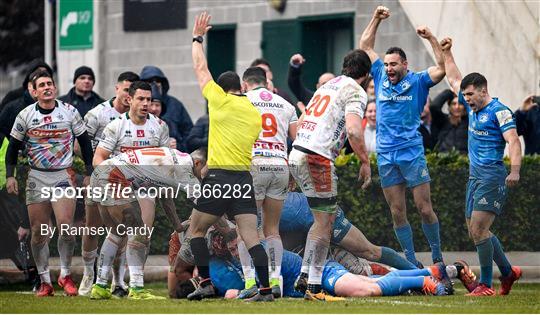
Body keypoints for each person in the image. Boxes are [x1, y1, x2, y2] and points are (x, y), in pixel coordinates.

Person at [187, 12, 271, 302]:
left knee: (195, 231)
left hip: (220, 177)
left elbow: (200, 67)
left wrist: (198, 37)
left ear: (222, 90)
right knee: (252, 237)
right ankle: (265, 290)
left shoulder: (219, 101)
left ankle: (207, 284)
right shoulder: (253, 112)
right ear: (241, 87)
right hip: (243, 179)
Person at [359, 6, 446, 268]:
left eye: (393, 64)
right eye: (385, 65)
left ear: (405, 64)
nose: (388, 69)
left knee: (424, 208)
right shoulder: (380, 76)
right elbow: (365, 44)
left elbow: (441, 68)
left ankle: (438, 257)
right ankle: (410, 261)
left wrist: (431, 38)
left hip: (411, 151)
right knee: (397, 212)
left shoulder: (419, 80)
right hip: (386, 155)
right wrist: (375, 18)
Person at [441, 37, 522, 296]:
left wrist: (515, 170)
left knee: (479, 229)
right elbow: (454, 79)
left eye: (470, 95)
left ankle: (485, 284)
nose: (466, 100)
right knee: (476, 230)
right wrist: (448, 52)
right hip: (474, 176)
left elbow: (513, 141)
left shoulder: (500, 111)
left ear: (483, 91)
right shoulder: (472, 106)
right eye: (464, 96)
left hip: (492, 175)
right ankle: (508, 272)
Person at [289, 48, 372, 301]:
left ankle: (305, 276)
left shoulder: (327, 86)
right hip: (317, 157)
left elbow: (303, 122)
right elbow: (355, 131)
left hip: (298, 152)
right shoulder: (355, 90)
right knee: (326, 222)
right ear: (366, 75)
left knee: (320, 220)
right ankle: (314, 286)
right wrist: (365, 161)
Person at [5, 69, 94, 297]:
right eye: (41, 85)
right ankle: (45, 281)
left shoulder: (69, 112)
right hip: (37, 176)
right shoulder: (25, 115)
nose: (47, 87)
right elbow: (13, 148)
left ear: (55, 87)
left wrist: (90, 173)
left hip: (62, 175)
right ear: (33, 91)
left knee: (66, 227)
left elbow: (85, 143)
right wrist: (10, 175)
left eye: (50, 83)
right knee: (38, 232)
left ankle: (65, 275)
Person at [89, 147, 206, 300]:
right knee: (139, 234)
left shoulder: (173, 159)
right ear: (197, 163)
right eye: (207, 170)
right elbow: (206, 206)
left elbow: (166, 199)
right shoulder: (185, 170)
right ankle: (137, 289)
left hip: (101, 172)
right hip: (114, 174)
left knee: (117, 233)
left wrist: (177, 226)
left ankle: (100, 287)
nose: (207, 176)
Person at [235, 66, 298, 299]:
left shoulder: (240, 101)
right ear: (267, 83)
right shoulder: (286, 104)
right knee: (272, 229)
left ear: (245, 84)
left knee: (246, 230)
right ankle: (274, 280)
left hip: (253, 165)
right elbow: (297, 140)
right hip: (280, 166)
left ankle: (251, 281)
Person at [78, 71, 139, 297]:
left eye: (133, 93)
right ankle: (87, 274)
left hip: (125, 184)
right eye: (125, 91)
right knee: (92, 228)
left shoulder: (138, 119)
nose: (128, 96)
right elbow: (80, 145)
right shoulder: (98, 115)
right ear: (117, 89)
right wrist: (89, 170)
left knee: (120, 231)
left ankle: (118, 282)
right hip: (99, 179)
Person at [140, 66, 193, 152]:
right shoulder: (135, 107)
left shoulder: (175, 105)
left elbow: (189, 134)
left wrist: (179, 146)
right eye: (149, 81)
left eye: (158, 81)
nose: (155, 84)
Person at [430, 89, 468, 153]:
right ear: (449, 107)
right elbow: (434, 107)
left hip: (464, 160)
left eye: (460, 104)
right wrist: (449, 92)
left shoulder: (469, 122)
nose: (457, 107)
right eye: (454, 104)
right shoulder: (442, 120)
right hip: (443, 160)